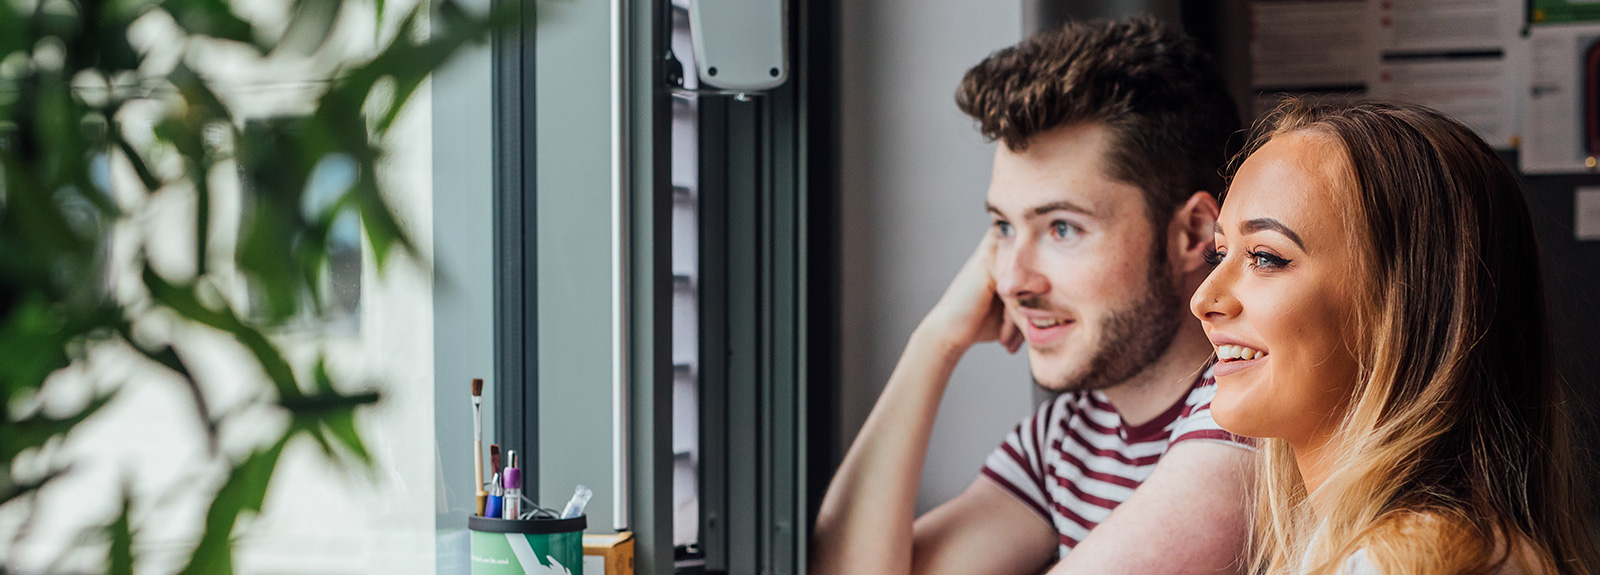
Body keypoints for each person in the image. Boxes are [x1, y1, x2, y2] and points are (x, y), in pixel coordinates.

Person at [812, 19, 1255, 575]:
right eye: (1002, 228)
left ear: (1193, 234)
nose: (1013, 279)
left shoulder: (1248, 410)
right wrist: (937, 340)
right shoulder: (1067, 437)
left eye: (1062, 228)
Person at [1191, 100, 1600, 575]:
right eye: (1219, 254)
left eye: (1265, 256)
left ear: (1405, 305)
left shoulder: (1399, 563)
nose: (1204, 299)